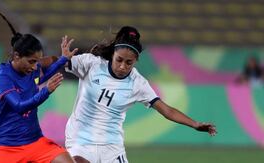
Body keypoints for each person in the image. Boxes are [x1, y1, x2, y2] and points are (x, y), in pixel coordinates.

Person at [64, 26, 217, 163]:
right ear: (113, 54)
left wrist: (194, 124)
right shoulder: (92, 64)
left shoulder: (137, 83)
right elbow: (54, 62)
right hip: (80, 141)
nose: (123, 66)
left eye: (129, 62)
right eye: (119, 60)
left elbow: (167, 110)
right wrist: (53, 61)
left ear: (136, 60)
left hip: (111, 147)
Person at [0, 10, 78, 163]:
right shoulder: (3, 77)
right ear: (16, 56)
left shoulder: (30, 71)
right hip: (5, 147)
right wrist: (46, 91)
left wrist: (63, 59)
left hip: (35, 142)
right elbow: (20, 106)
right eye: (32, 61)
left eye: (37, 61)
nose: (35, 67)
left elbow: (44, 75)